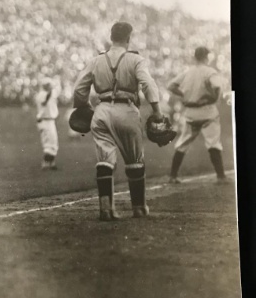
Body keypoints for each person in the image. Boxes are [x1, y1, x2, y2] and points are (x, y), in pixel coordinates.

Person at [72, 22, 164, 220]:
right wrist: (157, 111)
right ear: (128, 39)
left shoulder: (96, 60)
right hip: (127, 110)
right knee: (135, 160)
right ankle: (139, 208)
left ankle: (106, 209)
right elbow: (148, 83)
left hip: (102, 110)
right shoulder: (135, 59)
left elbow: (79, 89)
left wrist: (85, 107)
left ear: (111, 37)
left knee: (104, 159)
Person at [167, 47, 229, 184]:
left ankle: (172, 176)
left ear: (195, 57)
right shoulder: (209, 71)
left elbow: (170, 86)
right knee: (213, 142)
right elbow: (218, 86)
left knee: (182, 143)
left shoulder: (188, 72)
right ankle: (221, 176)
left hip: (190, 112)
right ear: (207, 57)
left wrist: (184, 94)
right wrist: (216, 98)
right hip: (207, 110)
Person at [35, 79, 61, 170]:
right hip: (45, 120)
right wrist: (52, 89)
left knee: (53, 142)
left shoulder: (48, 94)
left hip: (49, 120)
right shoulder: (42, 95)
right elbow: (45, 100)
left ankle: (51, 163)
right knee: (49, 143)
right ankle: (46, 163)